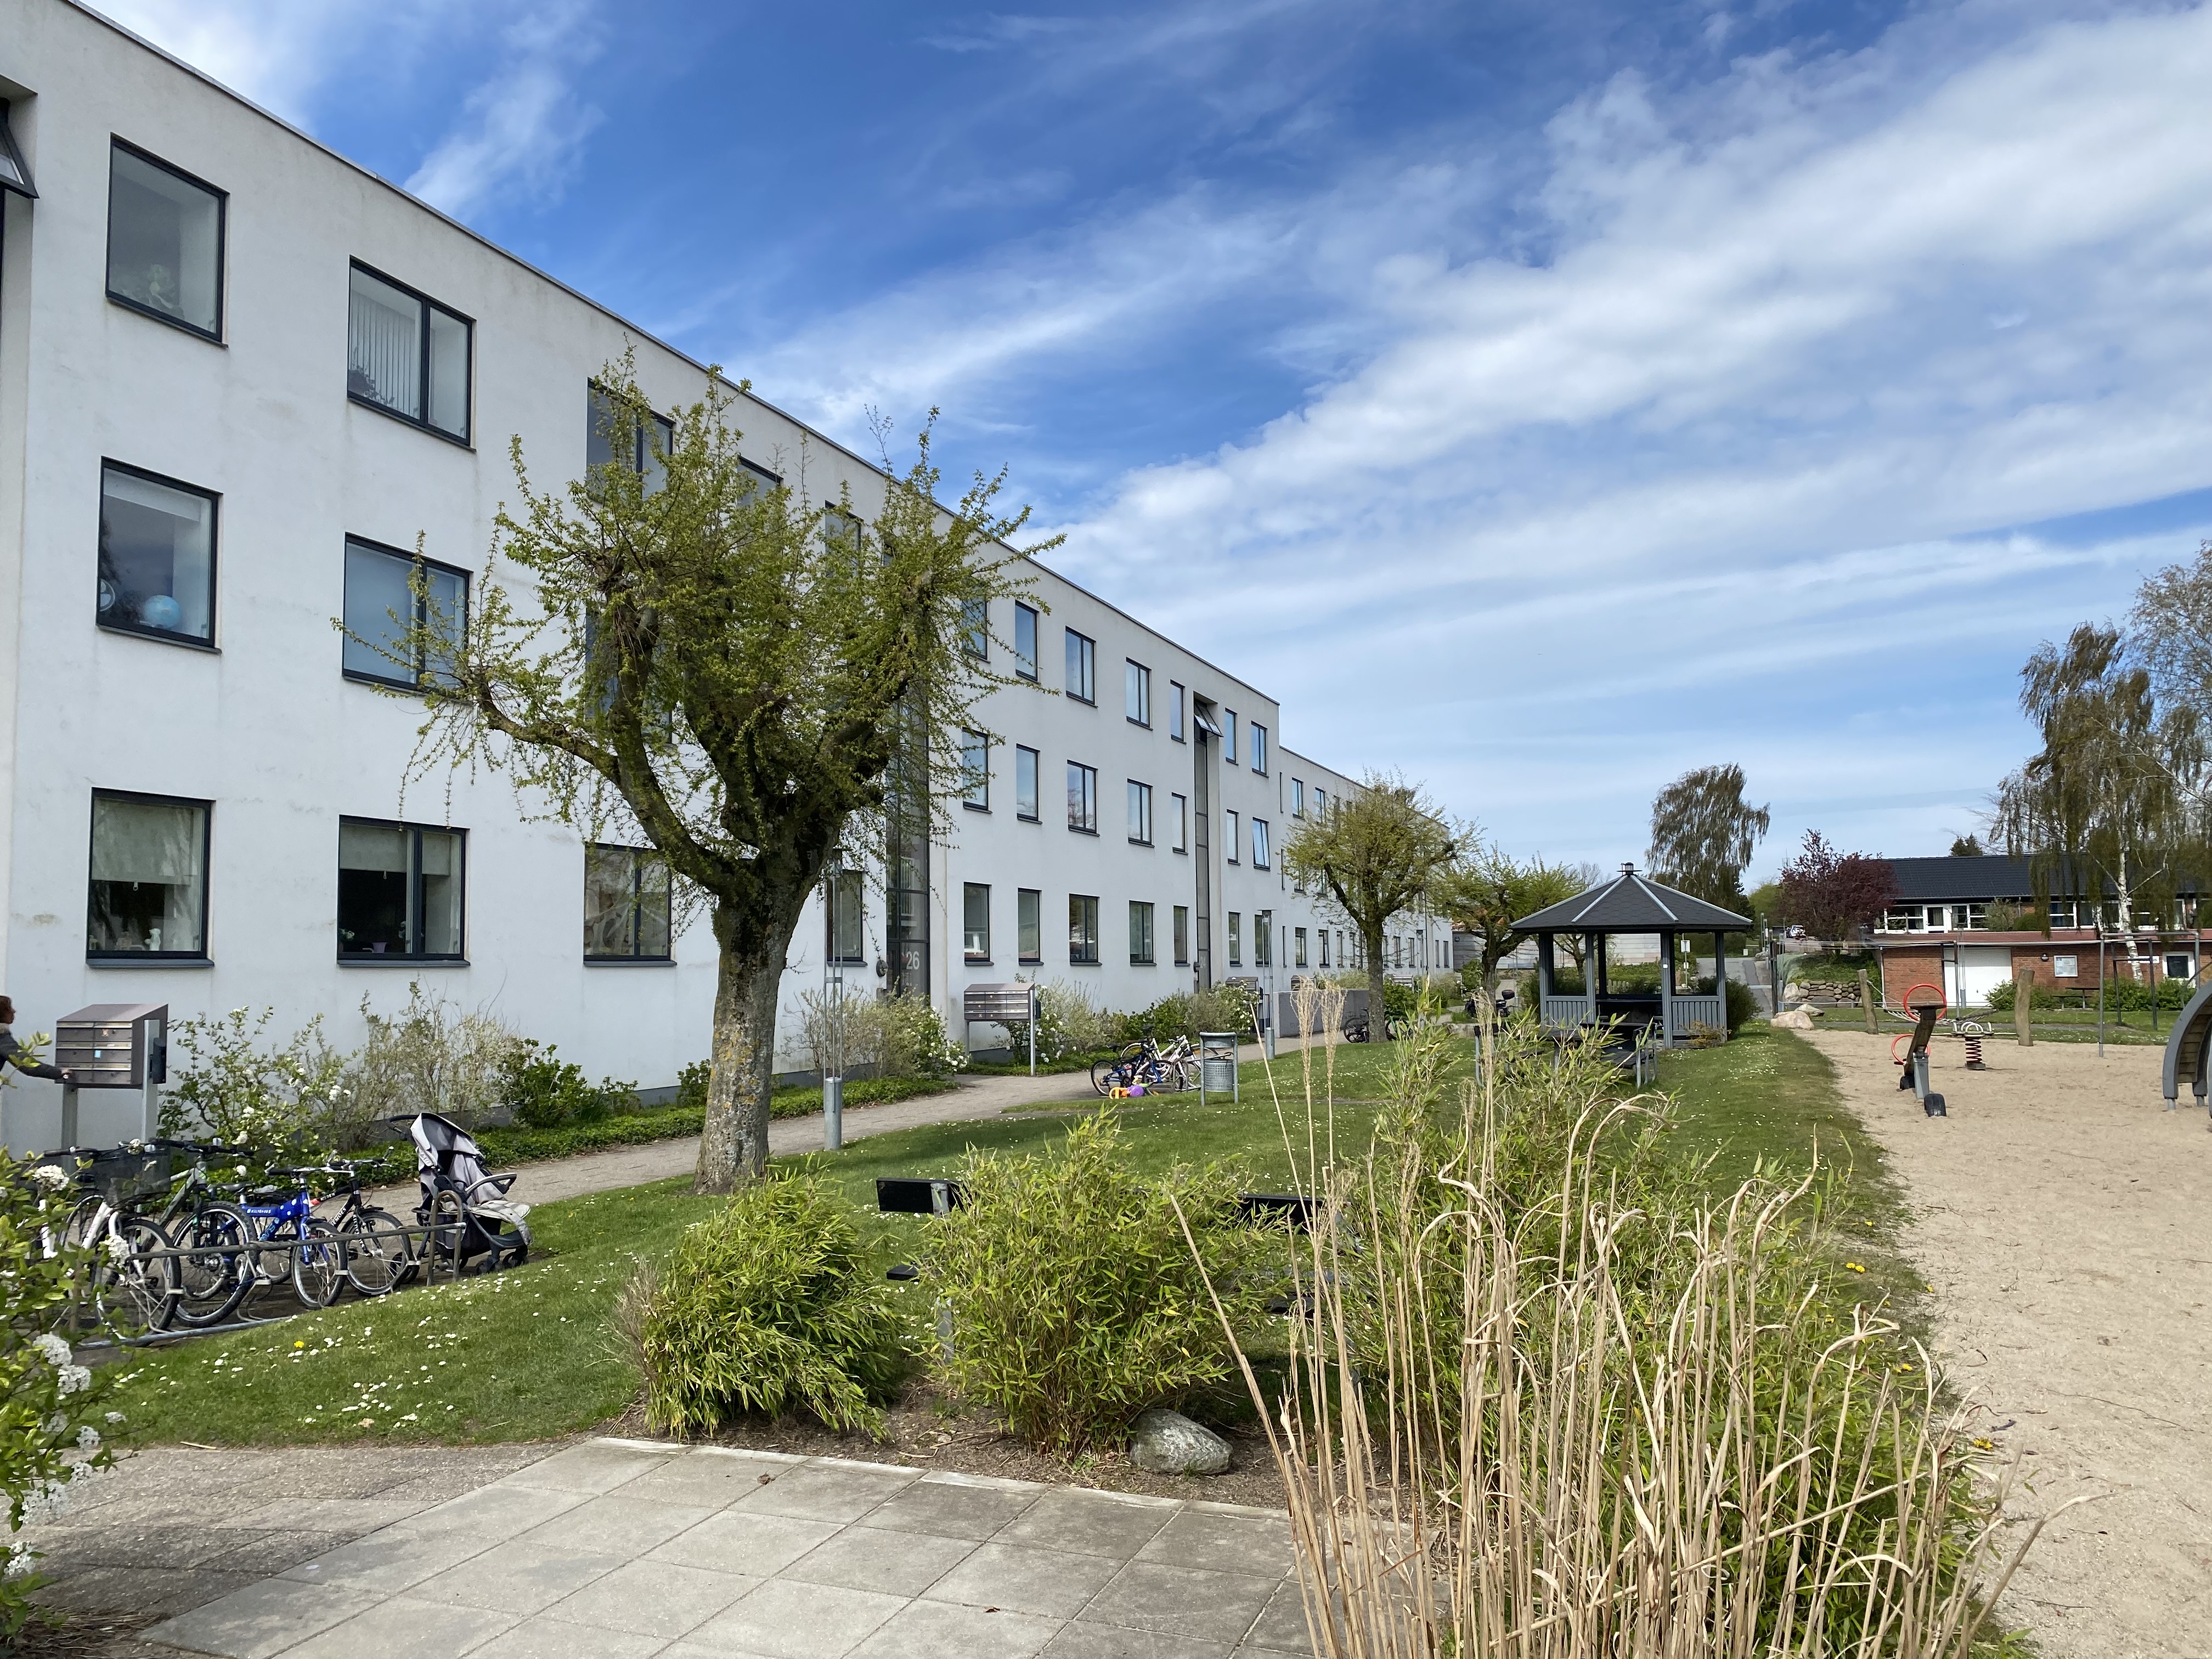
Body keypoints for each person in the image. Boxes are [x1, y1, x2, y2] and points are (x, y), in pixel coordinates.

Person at [0, 996, 74, 1085]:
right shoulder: (2, 1038)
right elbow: (27, 1065)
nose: (14, 1011)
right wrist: (59, 1072)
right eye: (9, 1008)